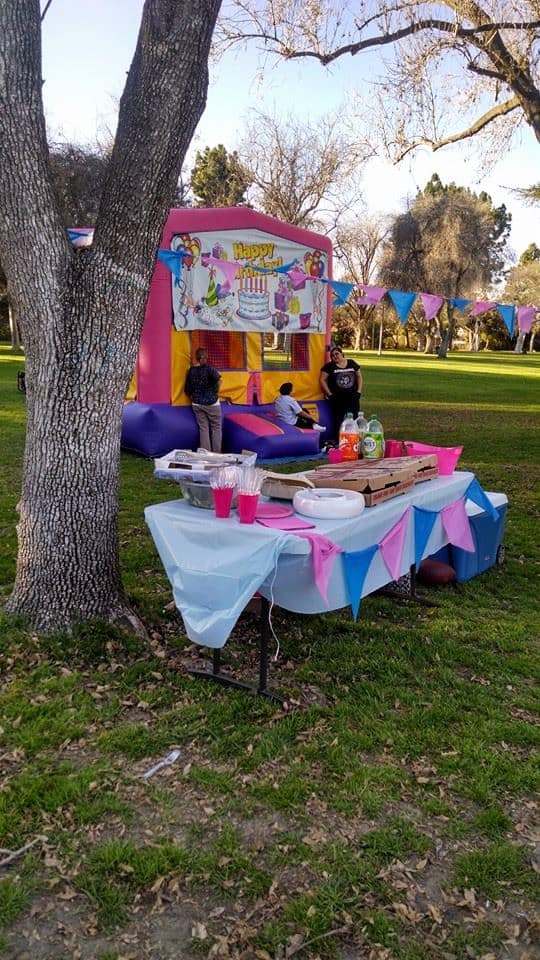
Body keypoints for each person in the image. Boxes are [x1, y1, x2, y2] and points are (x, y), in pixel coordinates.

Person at [319, 346, 362, 444]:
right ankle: (339, 440)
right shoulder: (329, 367)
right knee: (338, 419)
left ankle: (355, 439)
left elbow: (359, 376)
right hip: (337, 398)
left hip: (352, 396)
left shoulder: (352, 363)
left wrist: (358, 391)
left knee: (354, 417)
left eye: (337, 354)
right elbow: (322, 380)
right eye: (332, 355)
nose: (335, 356)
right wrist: (329, 394)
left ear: (342, 354)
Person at [184, 347, 222, 452]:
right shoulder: (210, 369)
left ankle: (206, 453)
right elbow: (219, 380)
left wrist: (194, 397)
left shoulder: (191, 371)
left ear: (196, 358)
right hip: (212, 403)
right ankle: (216, 453)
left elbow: (187, 390)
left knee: (203, 428)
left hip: (197, 404)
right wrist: (215, 392)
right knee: (216, 428)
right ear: (206, 357)